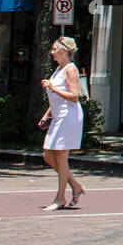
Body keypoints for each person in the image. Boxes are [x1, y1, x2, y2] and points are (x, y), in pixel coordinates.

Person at [39, 36, 86, 210]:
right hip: (59, 116)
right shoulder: (59, 69)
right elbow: (56, 99)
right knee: (48, 156)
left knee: (60, 157)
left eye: (54, 49)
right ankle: (75, 185)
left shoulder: (70, 69)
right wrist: (47, 114)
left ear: (64, 51)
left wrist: (53, 88)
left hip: (68, 117)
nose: (51, 52)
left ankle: (60, 198)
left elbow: (74, 97)